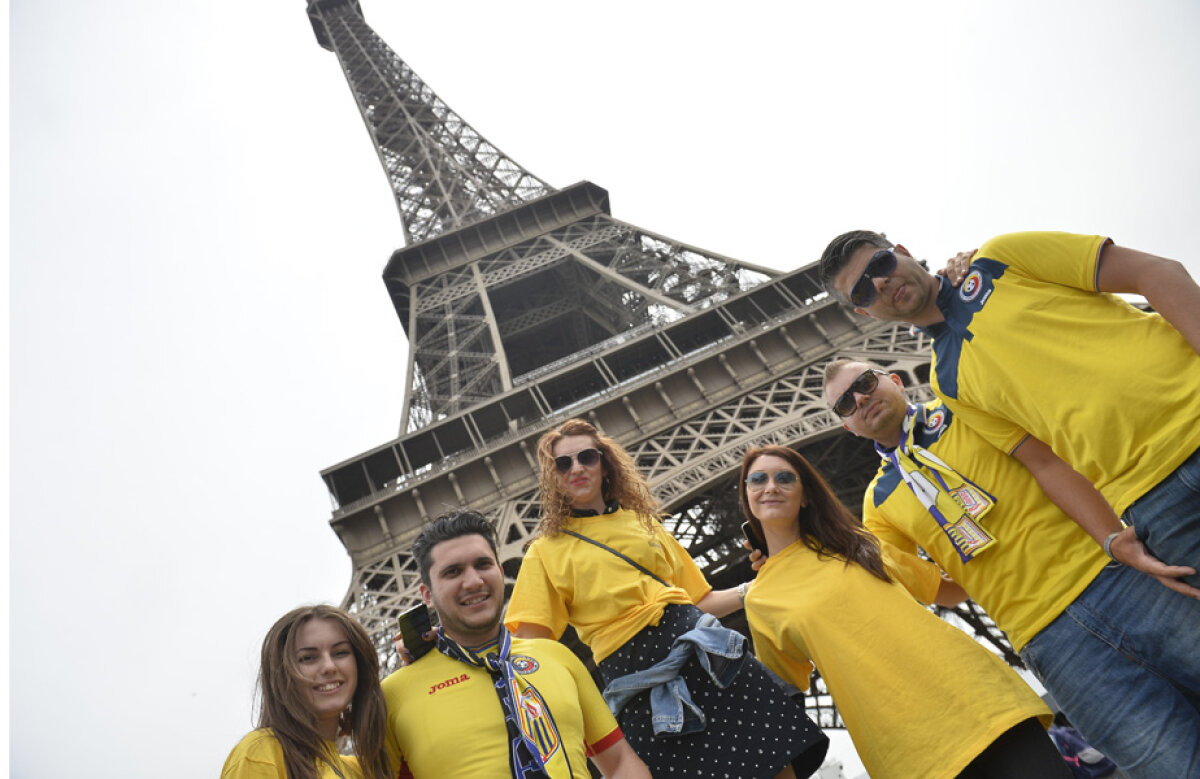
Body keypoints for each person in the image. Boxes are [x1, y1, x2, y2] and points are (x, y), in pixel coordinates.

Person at [822, 357, 1200, 777]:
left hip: (1119, 576)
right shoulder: (879, 503)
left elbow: (1057, 454)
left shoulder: (964, 406)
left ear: (894, 379)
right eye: (845, 404)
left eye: (866, 382)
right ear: (847, 427)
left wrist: (1113, 536)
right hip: (1051, 641)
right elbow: (919, 589)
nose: (860, 398)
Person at [818, 230, 1200, 593]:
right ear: (865, 313)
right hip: (1149, 497)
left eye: (880, 265)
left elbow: (1154, 272)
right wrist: (1110, 538)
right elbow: (1043, 462)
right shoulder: (945, 382)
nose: (879, 283)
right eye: (864, 290)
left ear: (901, 251)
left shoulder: (999, 258)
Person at [504, 419, 829, 778]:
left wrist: (752, 589)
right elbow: (530, 653)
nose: (577, 468)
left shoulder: (645, 524)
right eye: (563, 463)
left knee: (775, 763)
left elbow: (700, 600)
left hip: (710, 656)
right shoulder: (544, 553)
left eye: (587, 457)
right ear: (552, 476)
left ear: (604, 463)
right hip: (638, 681)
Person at [739, 444, 1066, 779]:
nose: (771, 486)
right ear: (747, 496)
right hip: (907, 752)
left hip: (981, 700)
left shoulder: (858, 543)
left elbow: (950, 591)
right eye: (758, 479)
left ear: (805, 495)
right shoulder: (761, 600)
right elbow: (782, 702)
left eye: (784, 478)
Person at [381, 509, 651, 779]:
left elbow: (619, 762)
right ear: (427, 594)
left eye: (483, 565)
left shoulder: (556, 656)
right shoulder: (393, 696)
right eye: (453, 572)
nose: (474, 581)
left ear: (500, 571)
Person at [222, 605, 393, 779]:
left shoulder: (364, 771)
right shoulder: (261, 755)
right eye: (308, 658)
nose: (329, 667)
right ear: (282, 674)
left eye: (340, 653)